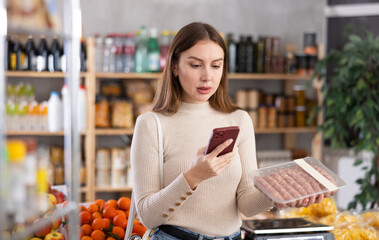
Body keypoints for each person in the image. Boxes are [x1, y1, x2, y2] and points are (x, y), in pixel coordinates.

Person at [131, 22, 320, 240]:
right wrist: (193, 177)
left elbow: (247, 203)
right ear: (174, 66)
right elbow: (147, 216)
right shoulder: (151, 124)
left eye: (216, 66)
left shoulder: (239, 120)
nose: (207, 77)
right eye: (195, 65)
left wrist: (277, 193)